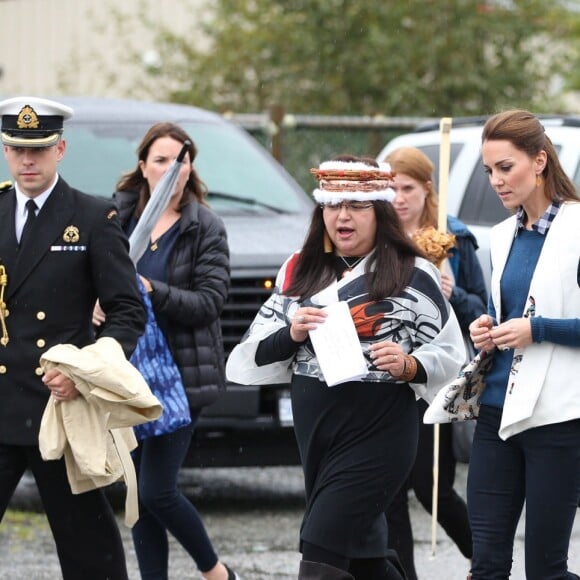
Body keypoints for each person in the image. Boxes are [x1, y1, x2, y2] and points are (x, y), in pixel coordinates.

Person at [226, 155, 465, 580]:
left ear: (380, 212)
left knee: (320, 549)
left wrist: (410, 364)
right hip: (317, 427)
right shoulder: (298, 269)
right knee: (362, 558)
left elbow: (451, 356)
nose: (343, 216)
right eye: (333, 206)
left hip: (380, 429)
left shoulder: (414, 273)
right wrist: (293, 333)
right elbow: (253, 356)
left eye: (357, 205)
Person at [0, 96, 146, 579]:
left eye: (38, 150)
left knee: (89, 549)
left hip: (58, 406)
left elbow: (127, 311)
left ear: (60, 149)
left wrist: (86, 372)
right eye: (17, 149)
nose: (27, 160)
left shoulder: (90, 216)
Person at [93, 122, 238, 580]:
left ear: (190, 167)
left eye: (181, 160)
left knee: (157, 490)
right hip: (128, 374)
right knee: (138, 493)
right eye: (161, 159)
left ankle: (215, 571)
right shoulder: (116, 219)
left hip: (181, 378)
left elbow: (209, 304)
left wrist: (152, 289)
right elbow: (87, 281)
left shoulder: (204, 227)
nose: (172, 168)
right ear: (143, 166)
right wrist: (95, 305)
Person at [468, 109, 580, 580]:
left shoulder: (577, 228)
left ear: (539, 161)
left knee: (545, 572)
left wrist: (538, 330)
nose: (496, 180)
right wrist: (488, 327)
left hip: (558, 418)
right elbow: (512, 307)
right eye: (489, 170)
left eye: (505, 167)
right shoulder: (499, 235)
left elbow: (537, 321)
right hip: (496, 412)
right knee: (487, 566)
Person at [382, 146, 488, 579]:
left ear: (427, 189)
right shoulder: (377, 235)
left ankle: (486, 561)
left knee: (432, 486)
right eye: (389, 189)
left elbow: (482, 308)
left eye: (407, 188)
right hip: (387, 374)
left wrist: (452, 292)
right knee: (389, 490)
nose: (398, 198)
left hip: (436, 374)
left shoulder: (453, 239)